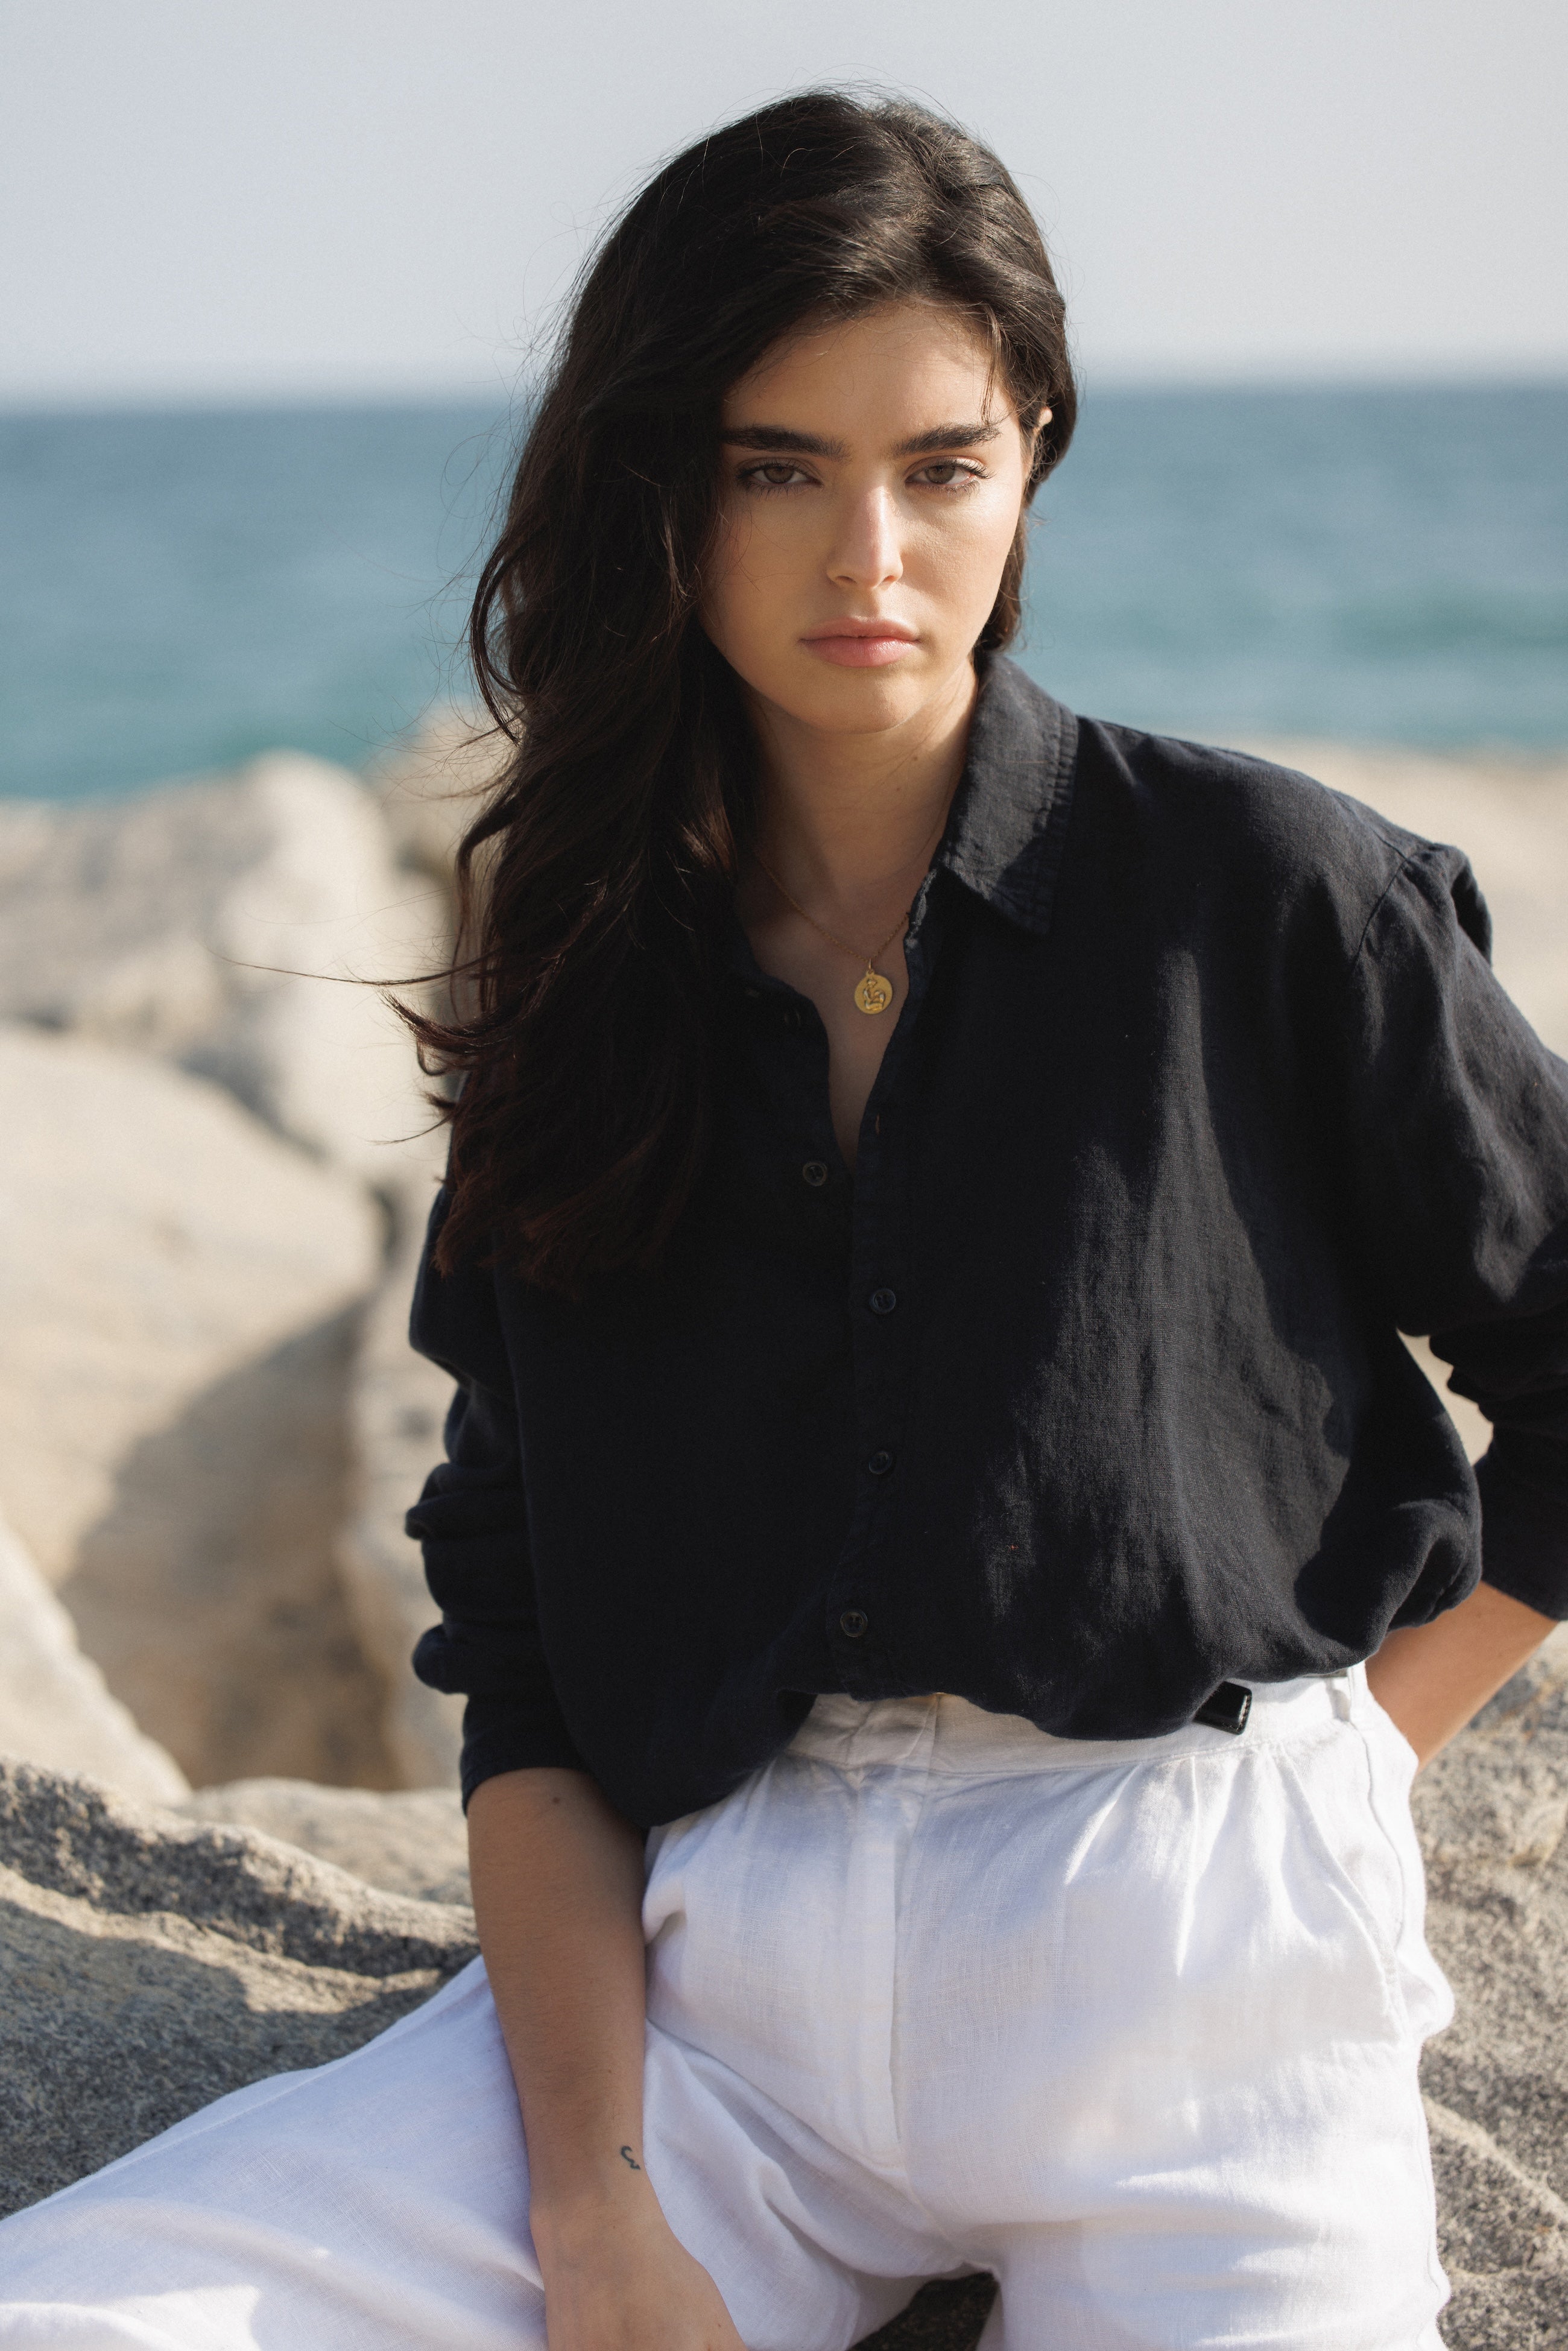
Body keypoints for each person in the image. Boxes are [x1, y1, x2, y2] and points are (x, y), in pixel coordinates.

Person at [2, 87, 1565, 2351]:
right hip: (728, 2000)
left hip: (1202, 1989)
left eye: (939, 465)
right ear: (668, 484)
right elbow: (518, 1616)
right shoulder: (590, 965)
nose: (871, 559)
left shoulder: (1261, 893)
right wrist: (596, 2205)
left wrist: (1351, 1762)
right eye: (778, 468)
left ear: (1031, 452)